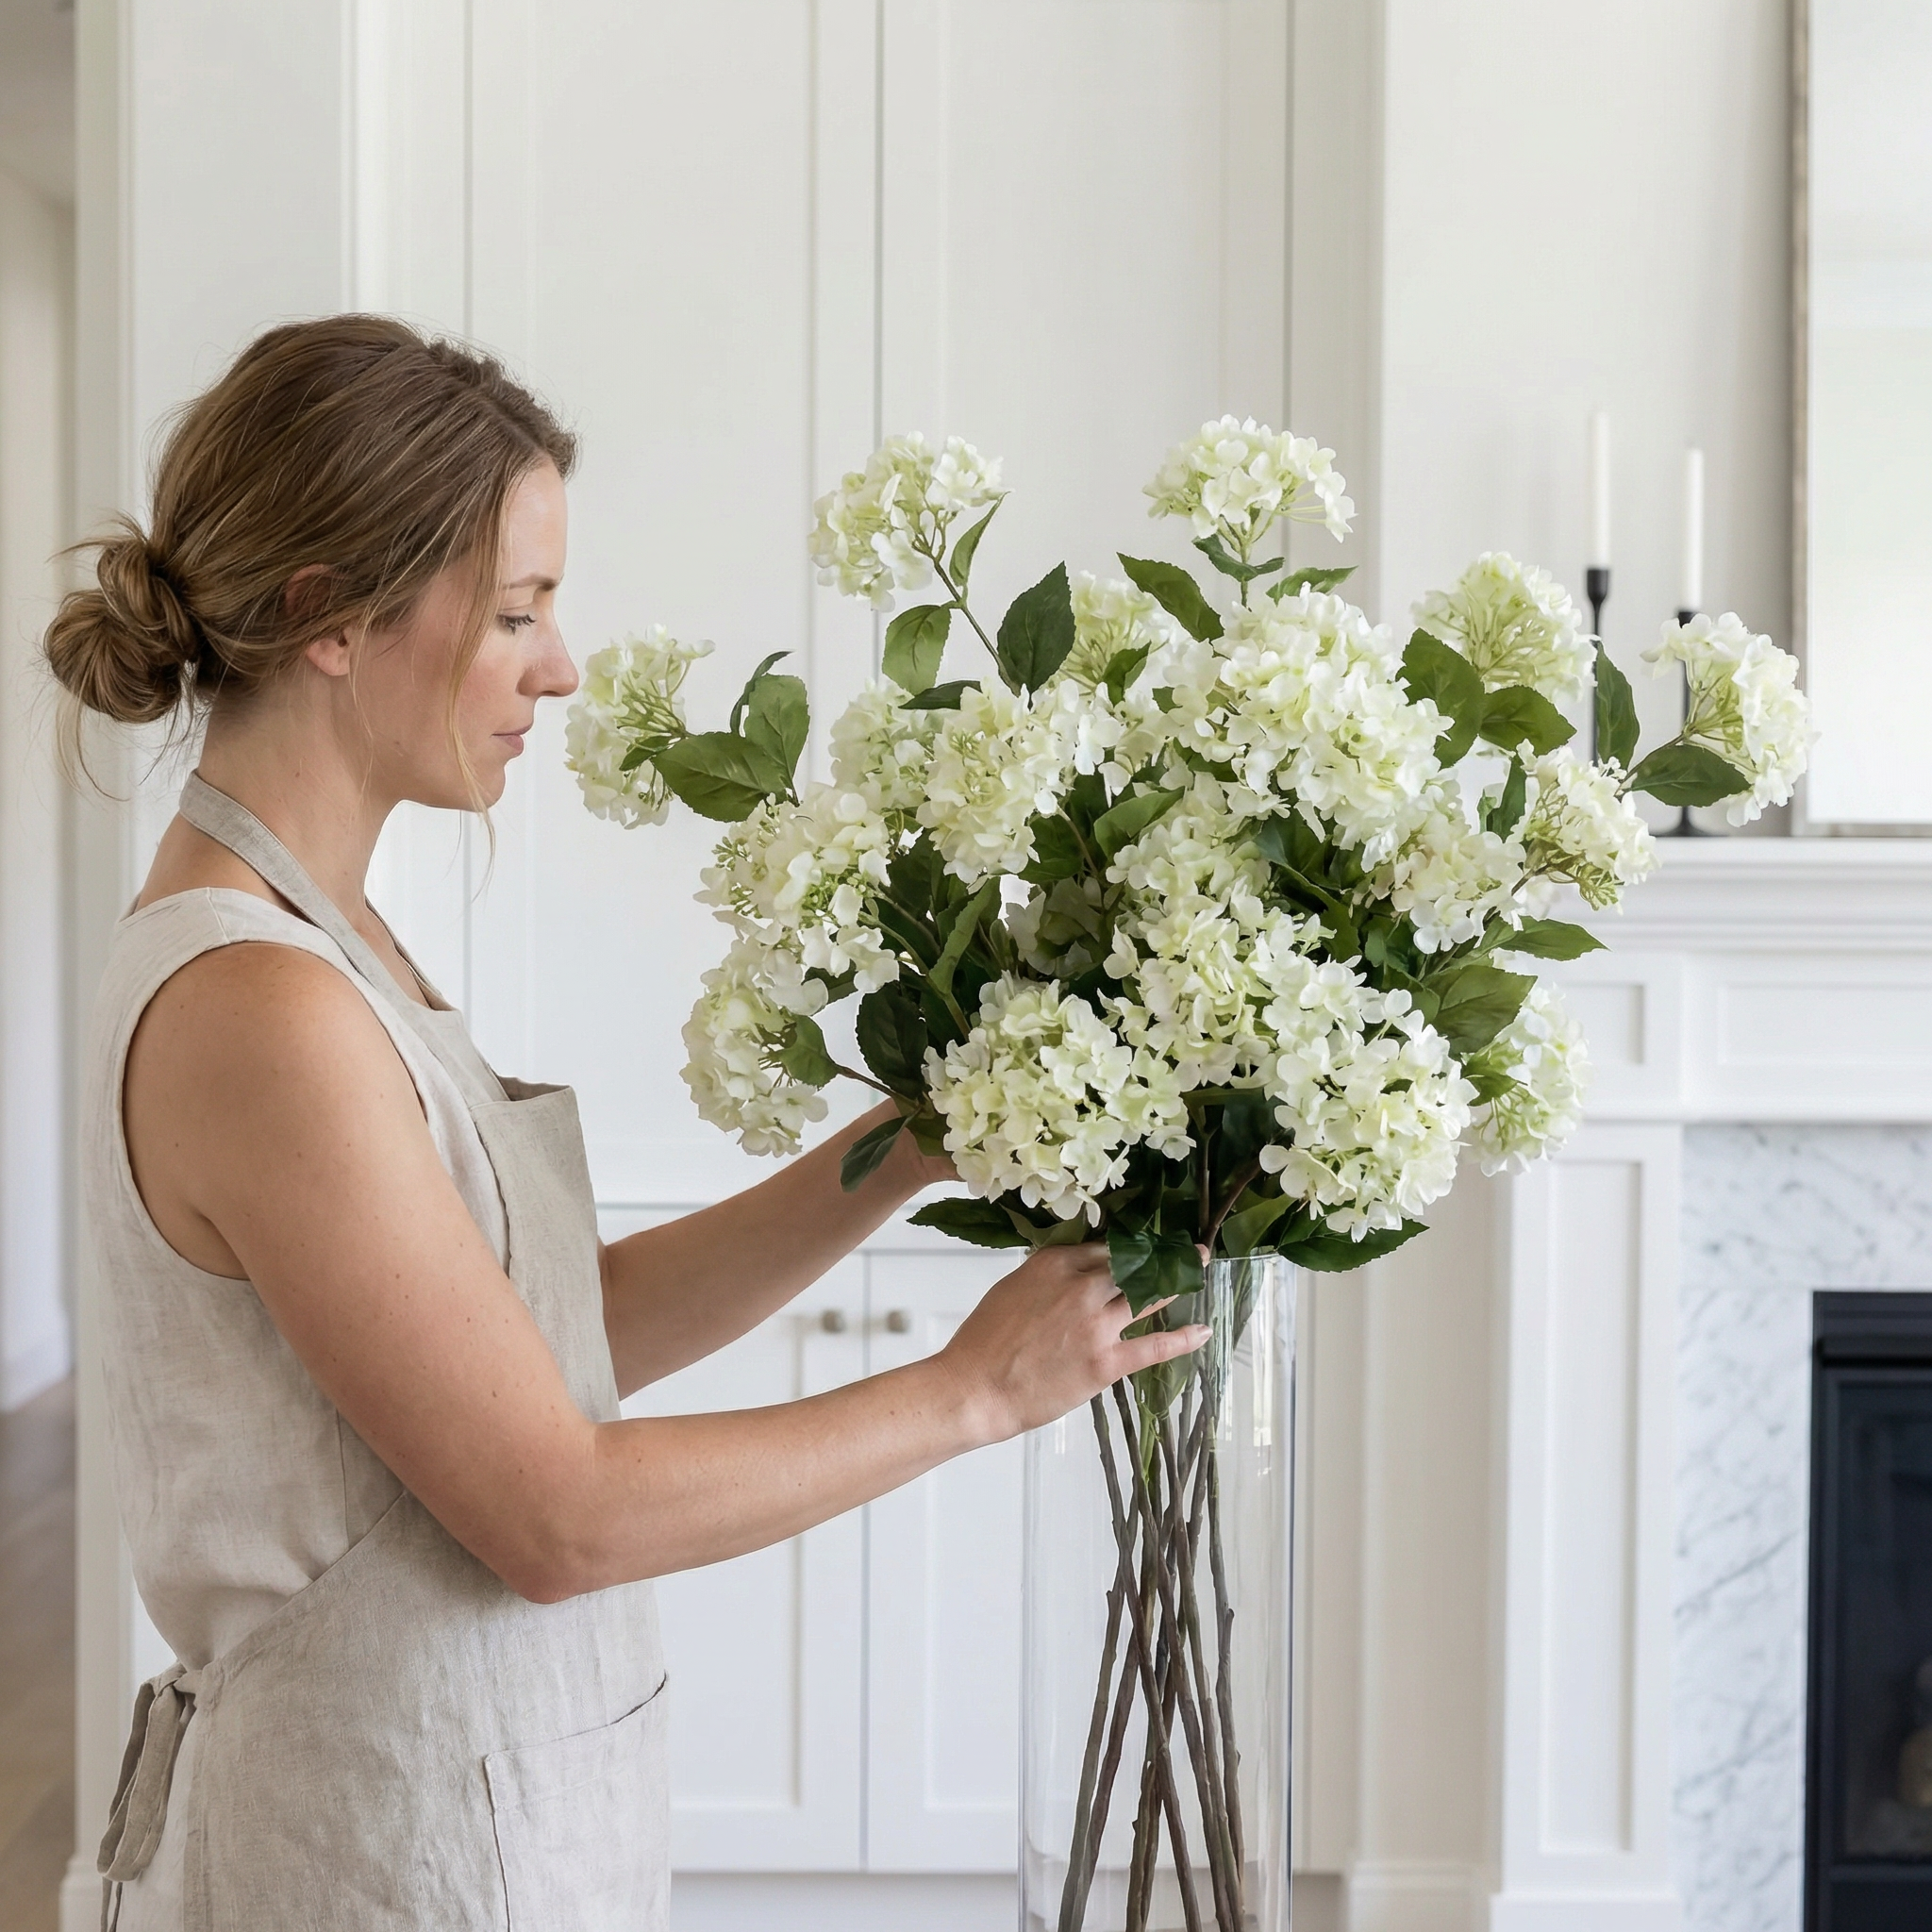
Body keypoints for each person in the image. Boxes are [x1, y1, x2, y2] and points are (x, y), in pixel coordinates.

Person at [44, 314, 1208, 1932]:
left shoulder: (328, 943)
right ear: (328, 615)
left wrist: (912, 1140)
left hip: (477, 1812)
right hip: (375, 1854)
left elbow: (557, 1336)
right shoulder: (261, 1010)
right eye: (517, 609)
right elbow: (554, 1510)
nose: (563, 664)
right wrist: (972, 1393)